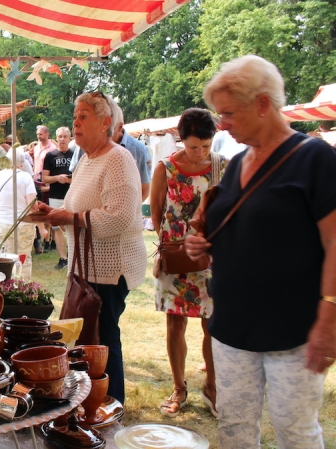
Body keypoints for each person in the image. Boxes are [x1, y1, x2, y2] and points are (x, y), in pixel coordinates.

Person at [186, 55, 336, 448]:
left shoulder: (314, 158)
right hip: (232, 326)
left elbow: (334, 241)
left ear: (264, 104)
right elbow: (237, 236)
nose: (222, 124)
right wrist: (202, 247)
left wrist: (329, 316)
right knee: (234, 429)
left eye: (229, 113)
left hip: (293, 330)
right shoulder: (237, 165)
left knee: (295, 432)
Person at [31, 92, 147, 405]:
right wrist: (53, 214)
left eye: (83, 117)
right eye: (75, 117)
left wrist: (67, 217)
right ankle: (91, 402)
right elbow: (75, 208)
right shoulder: (86, 159)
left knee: (103, 340)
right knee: (89, 341)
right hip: (86, 267)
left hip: (110, 269)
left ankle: (111, 405)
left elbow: (118, 218)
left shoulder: (118, 159)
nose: (76, 123)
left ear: (106, 122)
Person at [150, 108, 227, 418]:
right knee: (175, 323)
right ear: (180, 140)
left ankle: (212, 386)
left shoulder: (222, 166)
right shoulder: (166, 168)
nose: (200, 153)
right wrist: (171, 246)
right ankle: (179, 387)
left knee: (213, 324)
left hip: (211, 256)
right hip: (176, 257)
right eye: (194, 146)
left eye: (206, 145)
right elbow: (157, 213)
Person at [70, 102, 152, 201]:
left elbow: (144, 189)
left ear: (120, 128)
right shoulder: (83, 147)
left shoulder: (139, 150)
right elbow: (74, 184)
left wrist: (128, 206)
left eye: (108, 129)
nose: (102, 133)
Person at [0, 148, 37, 280]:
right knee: (23, 259)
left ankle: (2, 287)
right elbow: (32, 205)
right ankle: (23, 287)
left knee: (1, 259)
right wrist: (41, 226)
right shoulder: (26, 177)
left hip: (0, 224)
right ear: (22, 164)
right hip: (23, 224)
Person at [41, 126, 74, 269]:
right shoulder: (50, 155)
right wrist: (57, 178)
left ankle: (73, 256)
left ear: (69, 138)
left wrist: (68, 180)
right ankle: (63, 258)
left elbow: (81, 177)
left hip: (72, 196)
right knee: (56, 228)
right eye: (60, 136)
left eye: (65, 136)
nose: (62, 139)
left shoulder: (75, 154)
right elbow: (44, 178)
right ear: (56, 138)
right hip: (55, 196)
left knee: (72, 227)